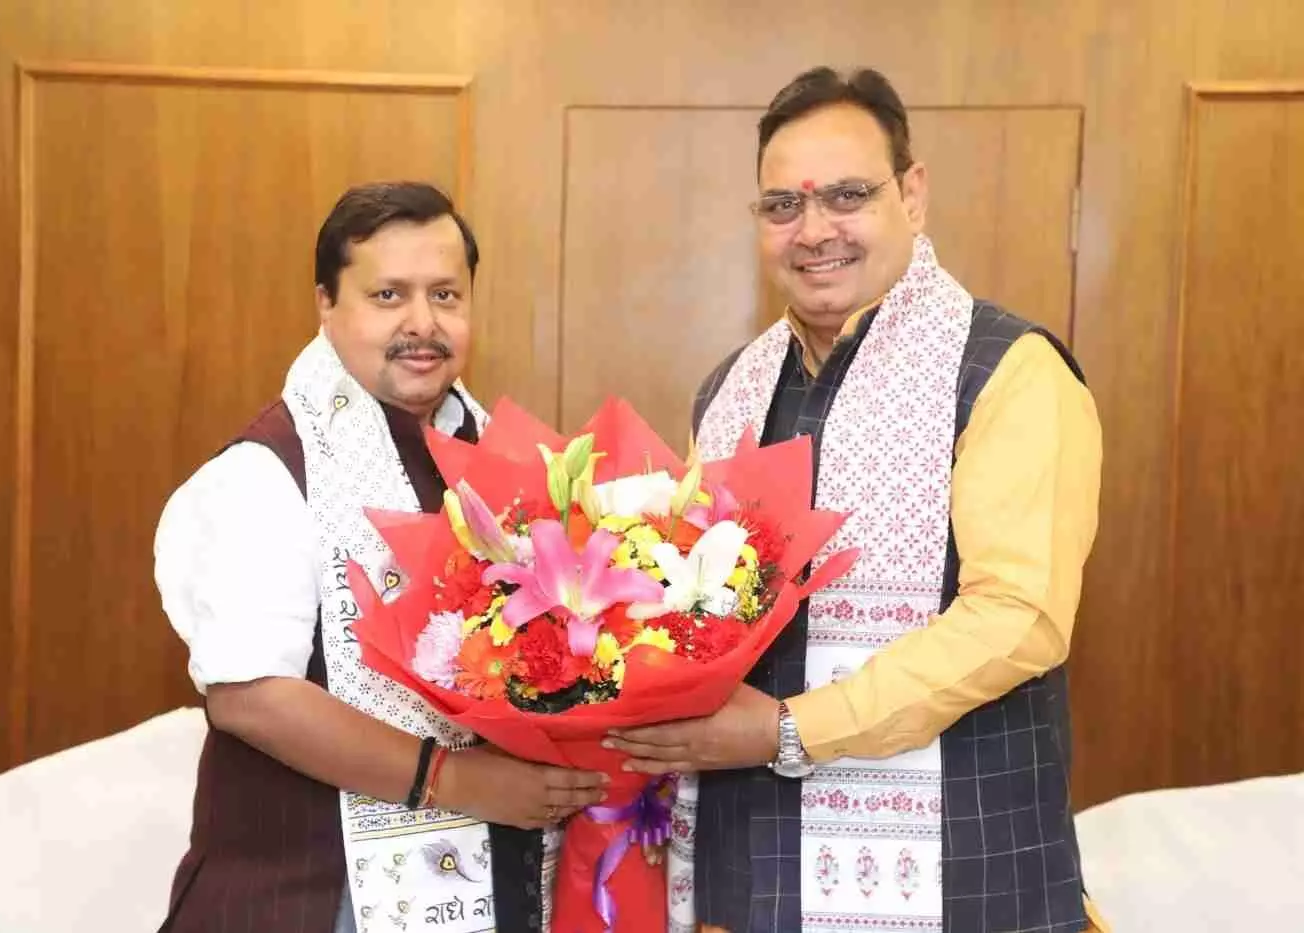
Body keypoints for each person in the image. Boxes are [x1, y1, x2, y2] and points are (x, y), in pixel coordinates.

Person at [607, 68, 1109, 932]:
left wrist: (792, 729)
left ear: (912, 194)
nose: (814, 231)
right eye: (783, 206)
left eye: (848, 195)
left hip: (964, 861)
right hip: (757, 858)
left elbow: (1019, 615)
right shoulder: (731, 392)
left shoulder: (1008, 371)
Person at [153, 182, 605, 933]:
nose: (422, 323)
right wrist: (454, 779)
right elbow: (250, 696)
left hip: (471, 879)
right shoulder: (266, 472)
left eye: (445, 295)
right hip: (304, 893)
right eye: (388, 295)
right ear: (326, 304)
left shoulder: (497, 464)